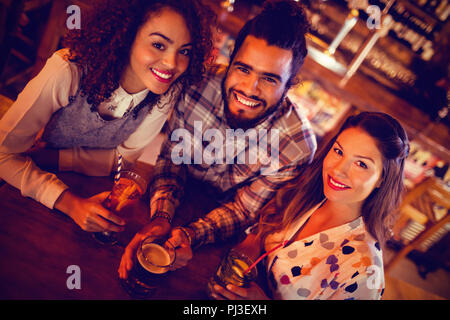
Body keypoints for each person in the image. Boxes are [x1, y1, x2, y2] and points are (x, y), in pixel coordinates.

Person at [119, 0, 317, 279]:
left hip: (223, 236)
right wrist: (161, 216)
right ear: (230, 60)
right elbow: (173, 159)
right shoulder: (195, 83)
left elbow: (243, 210)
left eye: (270, 79)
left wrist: (189, 236)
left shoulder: (296, 147)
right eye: (243, 69)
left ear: (289, 86)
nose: (250, 89)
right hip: (164, 195)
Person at [0, 0, 214, 232]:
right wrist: (70, 204)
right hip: (20, 190)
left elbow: (123, 160)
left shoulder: (164, 92)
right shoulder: (67, 71)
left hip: (83, 192)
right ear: (128, 34)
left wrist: (51, 157)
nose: (173, 63)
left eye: (184, 51)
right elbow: (3, 155)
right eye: (158, 45)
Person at [209, 111, 410, 300]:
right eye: (339, 151)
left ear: (382, 179)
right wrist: (248, 250)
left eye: (361, 164)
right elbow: (262, 230)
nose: (338, 170)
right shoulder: (307, 193)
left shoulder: (363, 273)